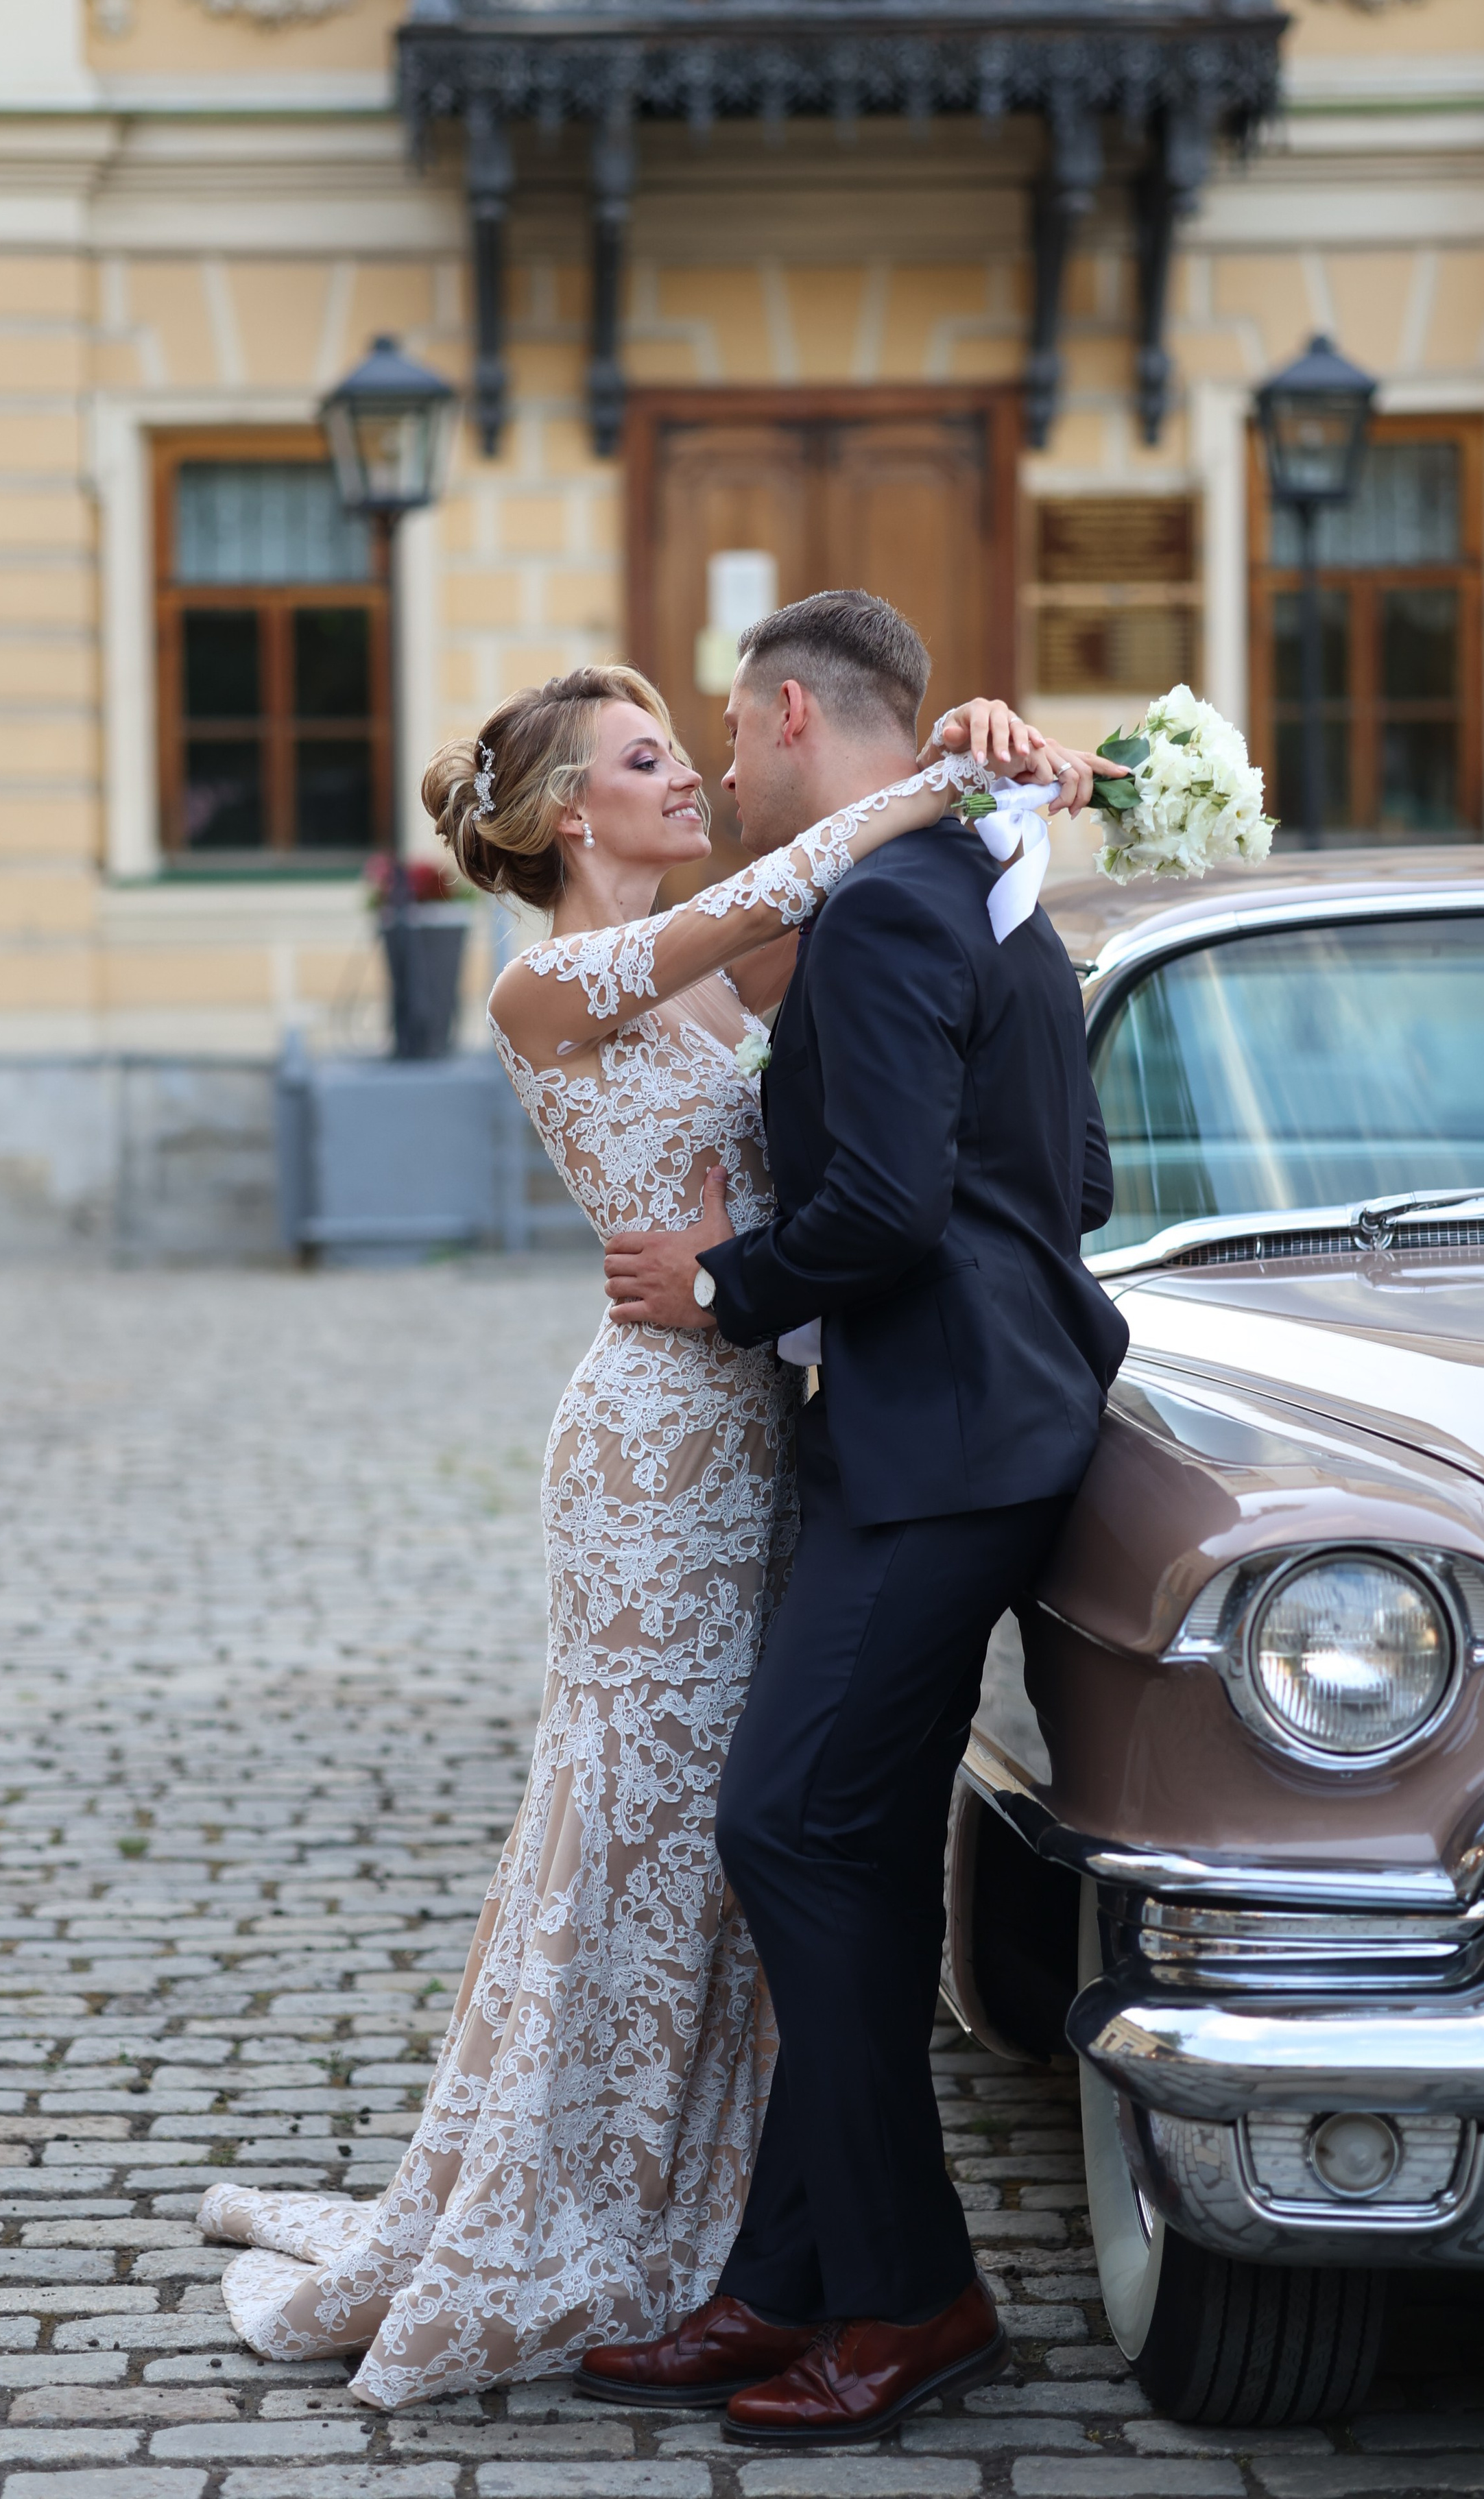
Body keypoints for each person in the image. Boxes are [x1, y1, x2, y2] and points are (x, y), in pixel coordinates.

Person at [197, 656, 1102, 2404]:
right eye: (643, 759)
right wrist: (947, 776)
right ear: (562, 818)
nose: (688, 777)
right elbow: (788, 885)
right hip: (650, 1449)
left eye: (693, 749)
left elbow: (892, 1095)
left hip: (772, 1422)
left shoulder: (720, 978)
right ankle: (576, 2193)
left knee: (741, 1838)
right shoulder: (546, 984)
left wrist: (984, 786)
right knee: (633, 1815)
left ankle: (749, 2243)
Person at [584, 592, 1129, 2447]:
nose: (727, 768)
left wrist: (722, 1287)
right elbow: (1076, 1177)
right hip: (972, 1425)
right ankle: (791, 2271)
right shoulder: (986, 882)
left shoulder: (891, 905)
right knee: (863, 1854)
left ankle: (913, 2297)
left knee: (786, 1823)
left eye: (734, 733)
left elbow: (889, 1211)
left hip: (941, 1445)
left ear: (796, 714)